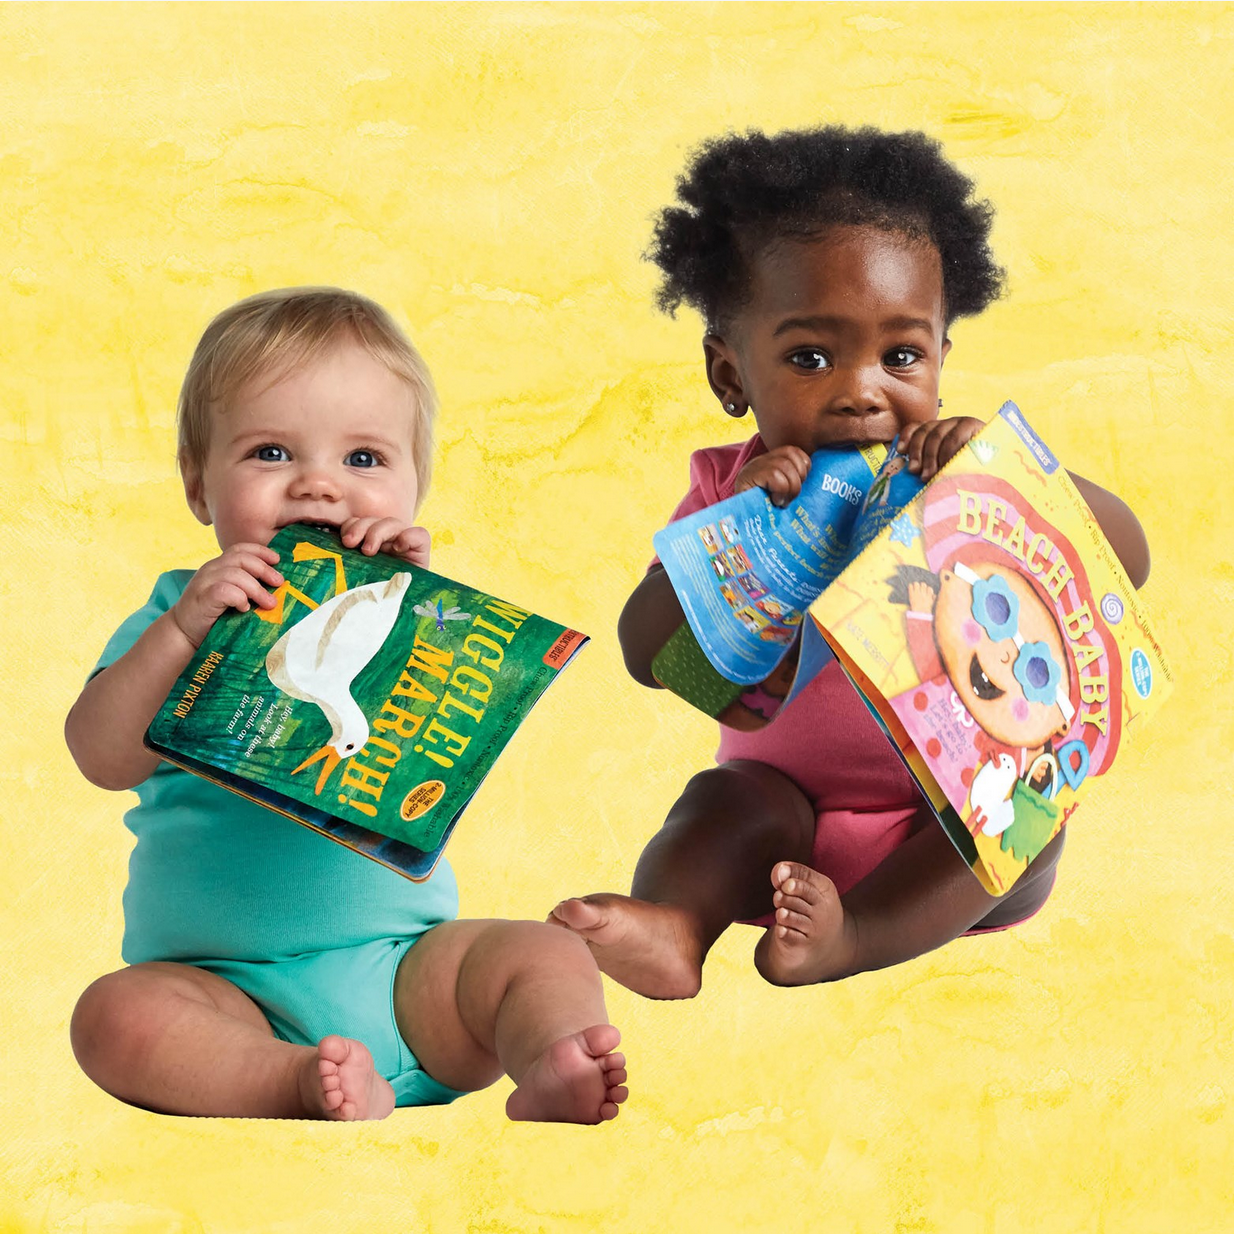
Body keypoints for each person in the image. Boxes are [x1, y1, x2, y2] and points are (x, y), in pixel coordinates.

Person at [550, 127, 1150, 998]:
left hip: (948, 821)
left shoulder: (975, 480)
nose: (863, 390)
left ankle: (855, 938)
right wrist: (735, 536)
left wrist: (1027, 480)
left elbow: (1123, 559)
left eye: (900, 355)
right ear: (731, 374)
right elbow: (648, 654)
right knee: (720, 802)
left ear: (943, 356)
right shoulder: (731, 493)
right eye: (809, 358)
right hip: (780, 814)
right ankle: (678, 925)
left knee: (1031, 822)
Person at [66, 288, 628, 1122]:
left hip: (411, 975)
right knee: (112, 1019)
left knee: (538, 951)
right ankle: (291, 1084)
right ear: (198, 484)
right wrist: (187, 630)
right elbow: (99, 755)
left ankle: (548, 1058)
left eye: (364, 460)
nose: (320, 488)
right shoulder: (179, 615)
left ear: (415, 485)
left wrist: (419, 600)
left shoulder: (414, 611)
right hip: (219, 992)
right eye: (270, 453)